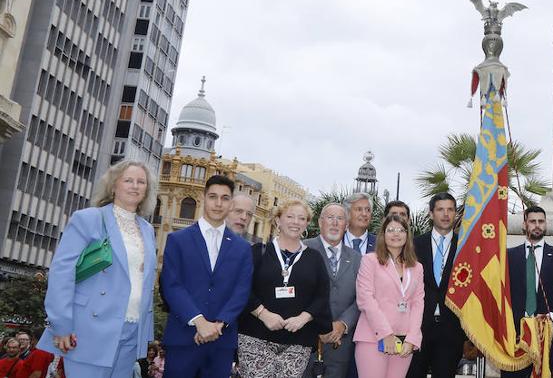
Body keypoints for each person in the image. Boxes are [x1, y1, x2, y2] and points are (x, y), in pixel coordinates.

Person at [36, 160, 158, 378]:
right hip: (90, 328)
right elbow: (62, 272)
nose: (135, 186)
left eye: (141, 182)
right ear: (113, 186)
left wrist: (145, 334)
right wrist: (61, 324)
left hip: (132, 329)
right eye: (128, 180)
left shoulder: (148, 230)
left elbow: (145, 282)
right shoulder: (89, 218)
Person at [161, 174, 254, 378]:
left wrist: (218, 325)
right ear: (204, 198)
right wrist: (200, 322)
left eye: (225, 198)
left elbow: (242, 291)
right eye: (213, 196)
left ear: (230, 203)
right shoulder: (178, 240)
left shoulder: (243, 249)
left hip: (222, 341)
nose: (218, 203)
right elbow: (171, 285)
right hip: (183, 338)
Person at [238, 199, 332, 377]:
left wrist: (303, 318)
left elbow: (322, 296)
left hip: (298, 342)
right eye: (290, 216)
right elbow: (242, 288)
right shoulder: (258, 252)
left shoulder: (314, 258)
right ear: (278, 220)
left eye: (301, 218)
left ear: (306, 224)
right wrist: (263, 314)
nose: (295, 222)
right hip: (255, 337)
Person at [502, 206, 553, 378]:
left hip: (546, 335)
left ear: (545, 224)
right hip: (514, 336)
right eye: (532, 221)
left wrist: (552, 319)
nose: (537, 225)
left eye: (541, 221)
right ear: (524, 224)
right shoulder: (508, 256)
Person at [355, 214, 424, 378]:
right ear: (383, 234)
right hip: (373, 337)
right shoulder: (369, 260)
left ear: (407, 235)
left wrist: (412, 338)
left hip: (404, 341)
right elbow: (365, 299)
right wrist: (386, 334)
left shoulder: (417, 267)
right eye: (391, 230)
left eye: (401, 230)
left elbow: (418, 304)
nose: (396, 234)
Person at [408, 193, 464, 378]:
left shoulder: (465, 247)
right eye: (440, 209)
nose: (446, 214)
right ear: (431, 213)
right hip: (418, 327)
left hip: (452, 329)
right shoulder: (413, 245)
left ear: (456, 213)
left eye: (450, 209)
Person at [302, 203, 361, 378]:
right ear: (320, 222)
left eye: (340, 219)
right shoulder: (303, 249)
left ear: (347, 225)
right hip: (306, 339)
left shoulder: (357, 258)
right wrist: (319, 325)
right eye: (330, 218)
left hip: (340, 344)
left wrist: (343, 324)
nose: (335, 223)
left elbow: (362, 298)